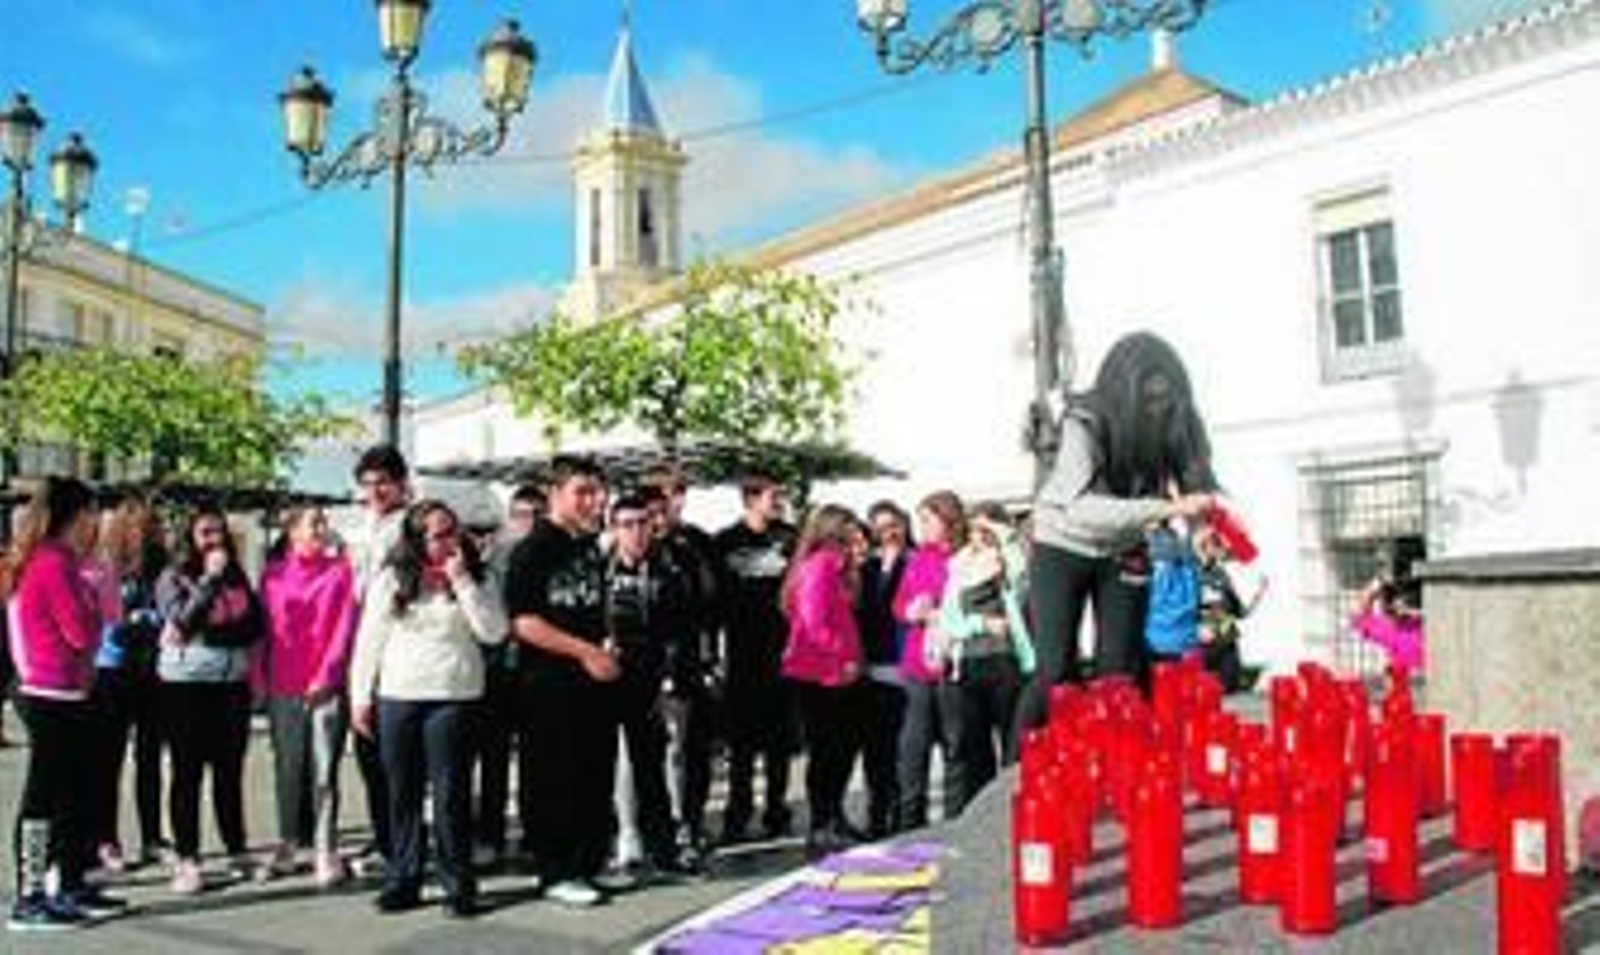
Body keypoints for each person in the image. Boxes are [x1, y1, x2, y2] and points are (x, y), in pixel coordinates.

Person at [1022, 331, 1219, 732]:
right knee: (1055, 671)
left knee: (1122, 669)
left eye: (1166, 399)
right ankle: (1018, 760)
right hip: (1062, 545)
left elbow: (1192, 483)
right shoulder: (1085, 421)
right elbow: (1081, 509)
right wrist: (1170, 508)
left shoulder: (1176, 422)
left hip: (1124, 550)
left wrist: (1200, 528)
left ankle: (1118, 754)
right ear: (1125, 395)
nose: (1158, 409)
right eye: (1150, 400)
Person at [349, 500, 506, 919]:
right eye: (437, 535)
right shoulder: (392, 578)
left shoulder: (479, 575)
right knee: (403, 793)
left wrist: (462, 583)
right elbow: (369, 640)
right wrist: (360, 697)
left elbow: (494, 632)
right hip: (399, 695)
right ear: (417, 540)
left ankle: (459, 885)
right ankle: (405, 878)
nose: (448, 541)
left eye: (452, 531)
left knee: (451, 795)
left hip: (454, 696)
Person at [3, 477, 122, 931]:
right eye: (92, 514)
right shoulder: (51, 561)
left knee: (74, 794)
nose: (96, 523)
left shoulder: (64, 561)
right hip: (48, 691)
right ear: (75, 516)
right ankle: (30, 895)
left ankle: (69, 882)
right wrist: (92, 605)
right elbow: (81, 629)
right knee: (44, 795)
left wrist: (92, 605)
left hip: (70, 690)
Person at [503, 455, 618, 908]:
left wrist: (605, 643)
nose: (594, 501)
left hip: (593, 685)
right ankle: (555, 870)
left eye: (597, 492)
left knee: (592, 775)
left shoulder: (588, 546)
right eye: (582, 493)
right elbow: (524, 622)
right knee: (554, 778)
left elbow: (595, 606)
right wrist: (585, 652)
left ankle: (585, 864)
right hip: (548, 685)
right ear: (555, 494)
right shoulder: (533, 549)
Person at [156, 505, 264, 895]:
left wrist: (213, 634)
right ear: (190, 537)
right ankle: (188, 858)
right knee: (187, 774)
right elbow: (182, 621)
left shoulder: (238, 576)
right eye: (205, 532)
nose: (214, 540)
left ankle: (237, 850)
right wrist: (209, 580)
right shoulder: (172, 577)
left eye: (219, 532)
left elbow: (254, 626)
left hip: (231, 684)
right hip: (185, 685)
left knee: (229, 772)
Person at [256, 505, 358, 887]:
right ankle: (288, 843)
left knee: (324, 770)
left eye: (322, 522)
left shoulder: (340, 572)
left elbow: (344, 627)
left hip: (325, 686)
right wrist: (258, 677)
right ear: (292, 532)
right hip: (282, 683)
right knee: (287, 769)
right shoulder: (272, 575)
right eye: (312, 523)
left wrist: (327, 675)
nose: (320, 528)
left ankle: (324, 848)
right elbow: (263, 631)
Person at [599, 492, 694, 886]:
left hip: (649, 682)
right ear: (613, 529)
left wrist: (669, 681)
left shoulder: (669, 573)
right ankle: (618, 841)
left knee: (651, 767)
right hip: (603, 679)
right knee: (604, 767)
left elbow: (680, 634)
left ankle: (664, 851)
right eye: (627, 524)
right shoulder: (597, 570)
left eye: (643, 524)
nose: (636, 532)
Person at [712, 472, 798, 844]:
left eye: (780, 495)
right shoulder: (724, 542)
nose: (777, 501)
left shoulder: (790, 539)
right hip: (741, 654)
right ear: (749, 499)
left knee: (779, 744)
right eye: (771, 495)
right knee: (742, 745)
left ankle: (777, 811)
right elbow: (713, 602)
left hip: (783, 653)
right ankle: (737, 815)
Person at [639, 470, 720, 862]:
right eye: (659, 497)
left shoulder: (695, 545)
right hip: (642, 666)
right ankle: (644, 828)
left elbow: (713, 604)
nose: (670, 502)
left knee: (690, 750)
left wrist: (711, 657)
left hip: (689, 663)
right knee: (649, 753)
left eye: (677, 493)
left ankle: (690, 821)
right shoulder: (627, 549)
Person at [86, 496, 169, 875]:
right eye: (143, 528)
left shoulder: (159, 568)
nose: (150, 535)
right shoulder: (107, 568)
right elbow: (113, 626)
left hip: (151, 671)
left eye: (152, 528)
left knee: (150, 759)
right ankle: (106, 838)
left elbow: (167, 616)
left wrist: (144, 621)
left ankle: (152, 837)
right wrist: (143, 622)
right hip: (112, 671)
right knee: (109, 760)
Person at [937, 505, 1033, 816]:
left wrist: (1004, 538)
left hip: (1005, 661)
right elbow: (949, 622)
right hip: (967, 663)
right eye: (974, 530)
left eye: (986, 530)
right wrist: (981, 624)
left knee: (1012, 745)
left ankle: (1013, 810)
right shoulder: (959, 567)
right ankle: (981, 815)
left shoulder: (1011, 562)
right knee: (975, 751)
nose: (978, 537)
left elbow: (1022, 581)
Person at [782, 504, 867, 857]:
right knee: (827, 751)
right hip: (820, 674)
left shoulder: (837, 566)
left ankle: (834, 817)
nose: (856, 532)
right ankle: (822, 824)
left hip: (835, 673)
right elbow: (813, 622)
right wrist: (842, 659)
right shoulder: (820, 565)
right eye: (849, 525)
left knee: (841, 749)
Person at [347, 444, 411, 877]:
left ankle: (402, 848)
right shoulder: (363, 528)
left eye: (383, 482)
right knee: (370, 758)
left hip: (399, 654)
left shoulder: (411, 526)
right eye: (367, 484)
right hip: (362, 651)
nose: (375, 491)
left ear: (401, 483)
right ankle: (387, 840)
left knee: (398, 765)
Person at [472, 483, 543, 868]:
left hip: (538, 669)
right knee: (493, 759)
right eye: (520, 515)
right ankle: (490, 835)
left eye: (535, 515)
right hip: (497, 670)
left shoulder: (549, 556)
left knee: (537, 758)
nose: (527, 522)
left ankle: (535, 832)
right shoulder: (492, 558)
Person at [893, 491, 964, 829]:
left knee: (956, 745)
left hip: (953, 665)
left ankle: (955, 821)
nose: (920, 527)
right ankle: (910, 821)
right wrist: (911, 611)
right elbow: (899, 604)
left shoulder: (966, 557)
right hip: (917, 665)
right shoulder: (919, 557)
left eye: (926, 519)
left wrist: (943, 614)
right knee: (914, 746)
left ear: (948, 520)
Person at [853, 500, 912, 838]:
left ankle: (905, 815)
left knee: (906, 750)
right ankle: (878, 815)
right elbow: (872, 613)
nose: (889, 534)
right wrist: (886, 570)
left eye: (894, 525)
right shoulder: (868, 568)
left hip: (909, 665)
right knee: (877, 752)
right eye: (881, 528)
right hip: (876, 669)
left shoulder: (917, 561)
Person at [1352, 572, 1424, 673]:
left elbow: (1361, 615)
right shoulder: (1389, 628)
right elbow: (1361, 616)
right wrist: (1373, 589)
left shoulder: (1420, 623)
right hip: (1406, 677)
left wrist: (1373, 589)